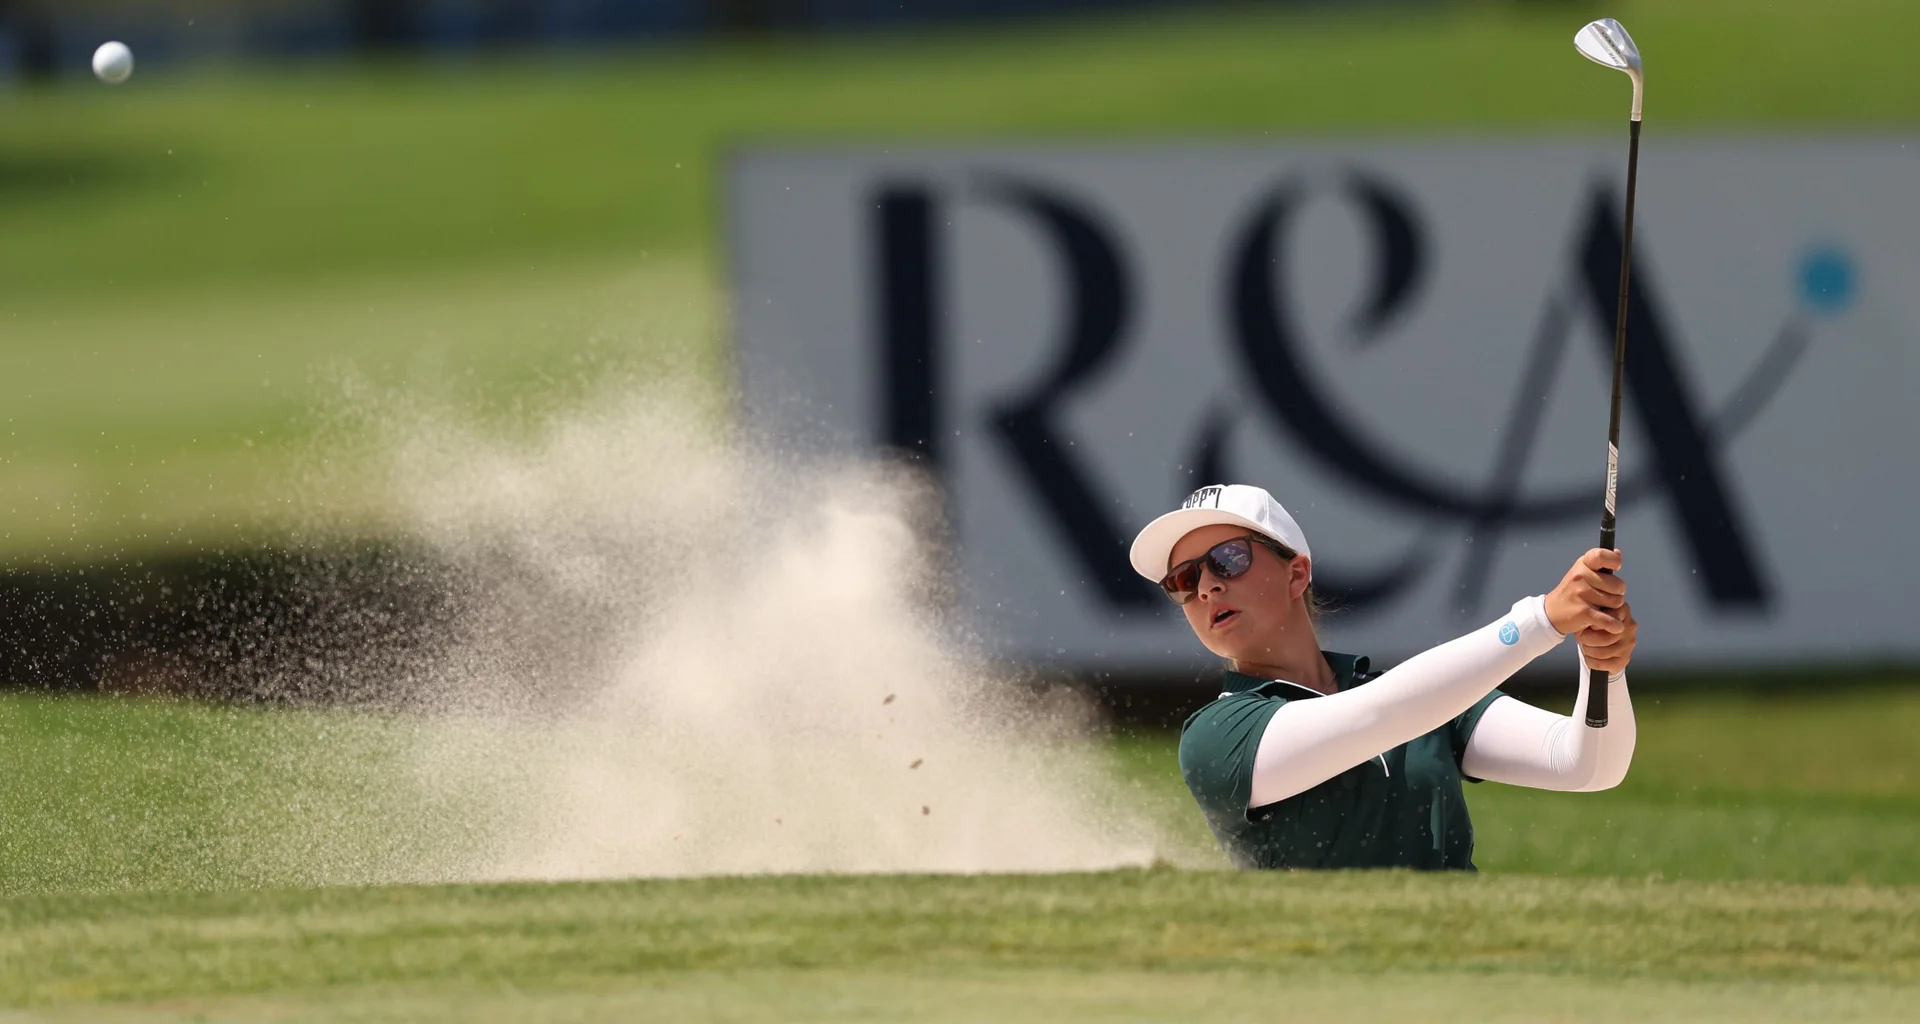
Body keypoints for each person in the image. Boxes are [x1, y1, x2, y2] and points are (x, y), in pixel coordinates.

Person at [1129, 484, 1637, 870]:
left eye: (1228, 559)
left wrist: (1603, 667)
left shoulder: (1420, 697)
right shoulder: (1216, 735)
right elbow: (1379, 716)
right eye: (1184, 579)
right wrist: (1541, 620)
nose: (1208, 587)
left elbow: (1584, 765)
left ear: (1296, 574)